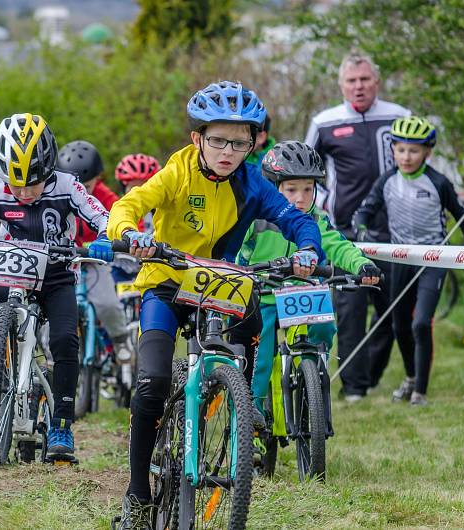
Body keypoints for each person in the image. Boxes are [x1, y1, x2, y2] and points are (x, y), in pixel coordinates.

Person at [107, 81, 324, 528]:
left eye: (240, 142)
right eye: (218, 140)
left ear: (253, 142)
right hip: (166, 282)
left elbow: (296, 219)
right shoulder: (177, 173)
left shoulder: (253, 183)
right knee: (151, 382)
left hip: (218, 284)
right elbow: (131, 205)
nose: (229, 151)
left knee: (246, 324)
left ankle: (236, 410)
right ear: (197, 139)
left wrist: (307, 250)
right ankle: (136, 494)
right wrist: (130, 235)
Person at [0, 113, 113, 459]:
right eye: (16, 184)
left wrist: (105, 237)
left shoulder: (69, 186)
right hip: (12, 267)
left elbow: (102, 215)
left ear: (49, 171)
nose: (24, 192)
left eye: (34, 183)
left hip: (56, 272)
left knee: (64, 340)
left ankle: (62, 425)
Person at [238, 141, 380, 417]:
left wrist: (363, 264)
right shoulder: (255, 220)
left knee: (324, 328)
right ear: (272, 188)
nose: (300, 198)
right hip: (262, 295)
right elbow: (230, 250)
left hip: (303, 292)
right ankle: (250, 423)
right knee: (259, 361)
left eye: (308, 189)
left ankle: (311, 383)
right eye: (291, 190)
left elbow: (340, 246)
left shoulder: (317, 220)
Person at [353, 117, 464, 406]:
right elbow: (364, 211)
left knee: (420, 323)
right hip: (401, 258)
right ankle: (410, 378)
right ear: (393, 151)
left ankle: (420, 392)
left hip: (434, 259)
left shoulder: (438, 182)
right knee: (399, 326)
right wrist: (362, 228)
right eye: (401, 150)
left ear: (427, 152)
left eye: (414, 151)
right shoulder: (387, 181)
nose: (406, 157)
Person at [305, 51, 410, 401]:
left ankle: (372, 374)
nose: (359, 86)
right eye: (351, 81)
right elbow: (306, 172)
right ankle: (354, 387)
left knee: (393, 311)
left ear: (376, 82)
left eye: (365, 79)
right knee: (350, 312)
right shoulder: (325, 122)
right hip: (346, 233)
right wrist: (319, 210)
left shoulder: (399, 116)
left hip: (395, 233)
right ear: (341, 85)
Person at [56, 140, 133, 370]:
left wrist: (111, 241)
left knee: (108, 303)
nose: (82, 192)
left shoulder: (106, 197)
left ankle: (119, 339)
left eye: (87, 187)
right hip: (65, 259)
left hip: (95, 259)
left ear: (98, 178)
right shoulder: (57, 193)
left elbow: (117, 219)